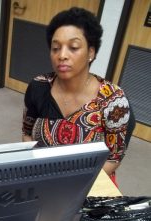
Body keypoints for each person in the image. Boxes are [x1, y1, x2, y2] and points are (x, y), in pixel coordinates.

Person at [22, 7, 135, 185]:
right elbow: (27, 134)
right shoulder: (38, 86)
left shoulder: (113, 101)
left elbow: (113, 158)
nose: (62, 55)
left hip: (89, 182)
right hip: (41, 178)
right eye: (55, 48)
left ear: (91, 52)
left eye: (73, 47)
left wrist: (73, 187)